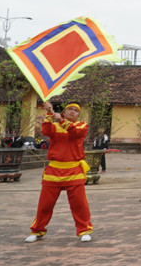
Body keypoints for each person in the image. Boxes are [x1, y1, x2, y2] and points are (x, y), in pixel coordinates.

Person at [25, 102, 94, 243]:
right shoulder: (55, 125)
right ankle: (37, 230)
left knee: (79, 204)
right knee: (45, 204)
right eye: (70, 109)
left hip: (74, 170)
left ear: (79, 115)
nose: (73, 112)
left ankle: (84, 230)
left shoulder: (81, 125)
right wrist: (49, 113)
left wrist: (61, 120)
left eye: (76, 110)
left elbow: (75, 133)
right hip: (54, 170)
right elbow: (46, 131)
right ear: (64, 111)